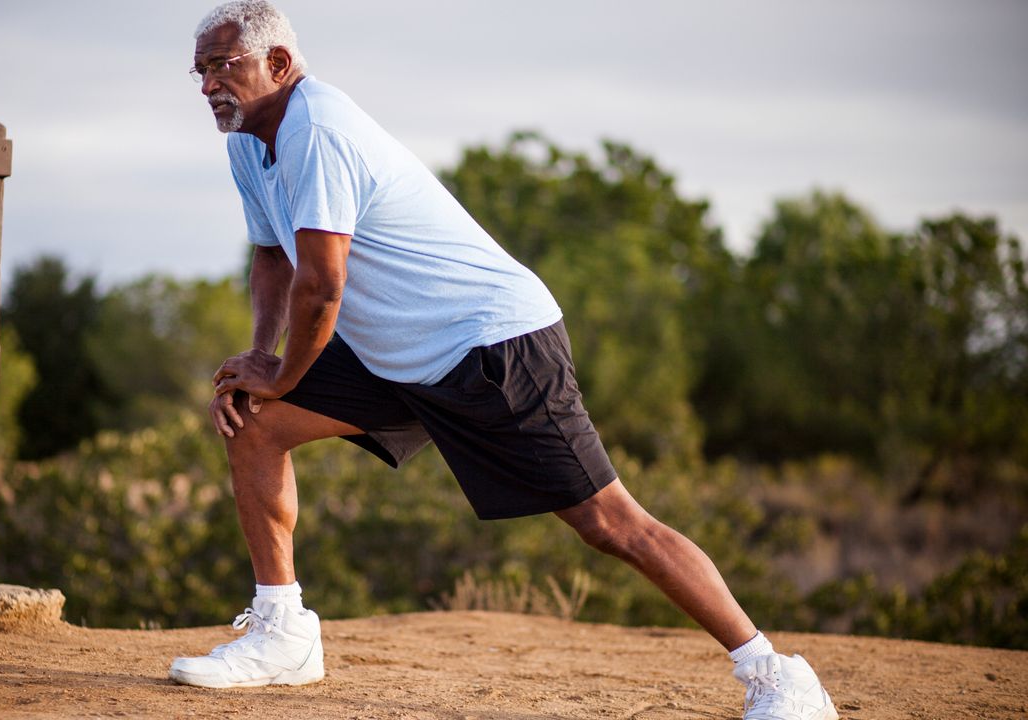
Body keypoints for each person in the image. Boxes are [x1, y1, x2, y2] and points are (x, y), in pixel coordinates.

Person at [169, 2, 838, 718]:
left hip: (490, 342)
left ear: (279, 64)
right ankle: (283, 635)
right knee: (255, 421)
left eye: (224, 66)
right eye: (201, 70)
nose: (210, 84)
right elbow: (273, 255)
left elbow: (323, 281)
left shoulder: (318, 130)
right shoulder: (247, 139)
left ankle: (778, 677)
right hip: (392, 349)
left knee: (610, 523)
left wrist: (288, 373)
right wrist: (262, 360)